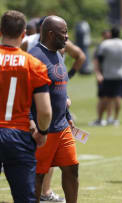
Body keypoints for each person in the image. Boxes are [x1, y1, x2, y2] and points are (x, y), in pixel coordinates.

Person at [0, 10, 52, 202]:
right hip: (18, 134)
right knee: (25, 197)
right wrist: (43, 132)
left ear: (0, 31)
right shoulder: (34, 64)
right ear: (23, 33)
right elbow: (45, 110)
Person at [28, 16, 79, 203]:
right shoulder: (34, 58)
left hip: (62, 125)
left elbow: (60, 88)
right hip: (43, 128)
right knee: (38, 175)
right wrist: (31, 122)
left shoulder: (58, 53)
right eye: (63, 32)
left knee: (72, 168)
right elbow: (23, 95)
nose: (67, 36)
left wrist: (67, 115)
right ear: (50, 34)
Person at [92, 27, 122, 126]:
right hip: (120, 74)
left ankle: (100, 119)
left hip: (107, 74)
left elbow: (99, 58)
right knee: (118, 97)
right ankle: (115, 119)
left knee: (105, 98)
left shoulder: (105, 44)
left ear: (111, 34)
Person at [89, 30, 112, 126]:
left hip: (111, 76)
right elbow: (95, 61)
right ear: (103, 36)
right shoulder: (100, 47)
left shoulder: (111, 46)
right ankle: (99, 119)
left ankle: (109, 119)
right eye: (106, 36)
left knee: (110, 98)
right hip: (102, 75)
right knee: (102, 98)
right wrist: (98, 74)